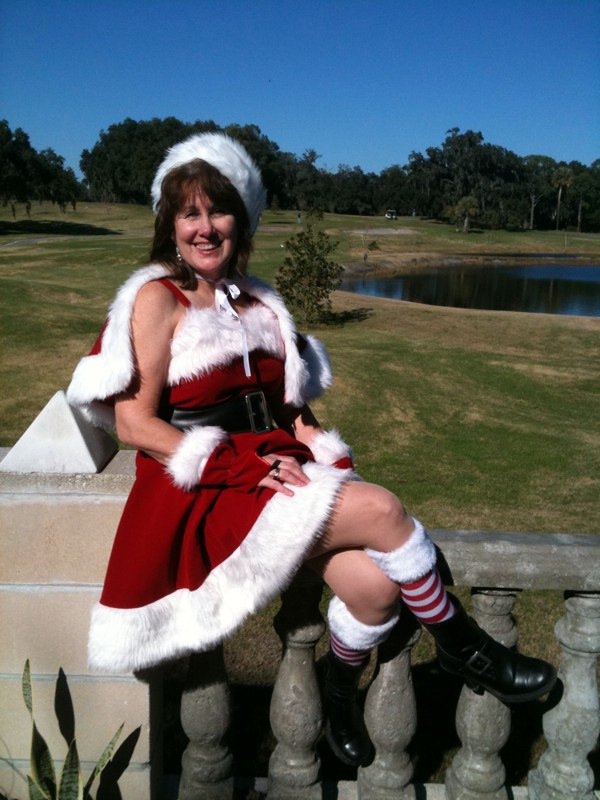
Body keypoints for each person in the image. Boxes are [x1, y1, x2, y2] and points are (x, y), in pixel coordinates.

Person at [67, 133, 556, 768]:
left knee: (375, 592)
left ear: (241, 221)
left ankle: (338, 693)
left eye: (219, 211)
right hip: (206, 486)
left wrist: (329, 460)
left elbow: (291, 412)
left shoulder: (259, 301)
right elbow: (134, 423)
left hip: (272, 467)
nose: (205, 228)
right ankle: (469, 650)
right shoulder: (158, 297)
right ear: (171, 224)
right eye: (189, 214)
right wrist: (236, 465)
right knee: (384, 511)